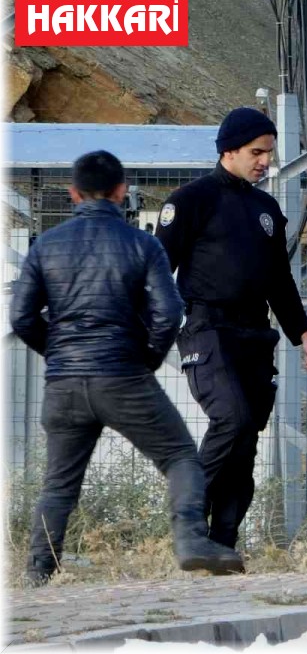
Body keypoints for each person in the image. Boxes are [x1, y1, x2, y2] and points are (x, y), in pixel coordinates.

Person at [11, 151, 242, 586]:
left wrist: (60, 353)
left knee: (59, 483)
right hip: (123, 376)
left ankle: (38, 573)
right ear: (122, 192)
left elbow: (22, 317)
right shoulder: (142, 244)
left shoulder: (46, 245)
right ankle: (191, 541)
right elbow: (169, 313)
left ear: (73, 193)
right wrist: (146, 358)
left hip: (63, 384)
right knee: (178, 457)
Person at [155, 107, 307, 555]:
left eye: (269, 153)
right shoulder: (191, 200)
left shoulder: (266, 209)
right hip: (208, 328)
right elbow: (156, 270)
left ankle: (221, 544)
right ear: (228, 150)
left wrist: (303, 335)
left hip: (255, 333)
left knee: (246, 441)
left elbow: (279, 281)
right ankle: (187, 515)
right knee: (233, 419)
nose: (265, 161)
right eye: (257, 152)